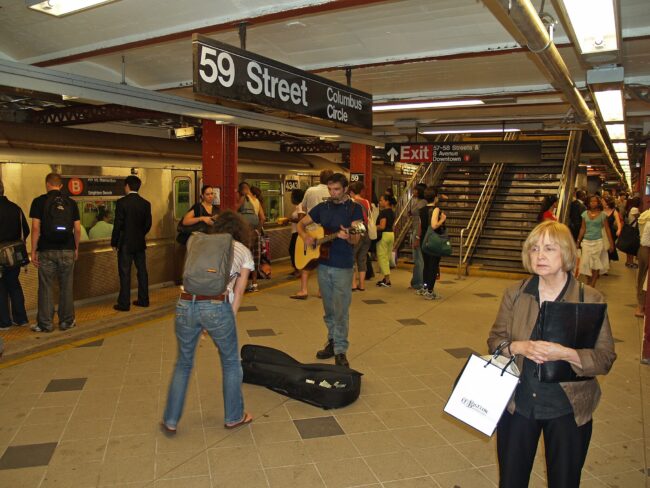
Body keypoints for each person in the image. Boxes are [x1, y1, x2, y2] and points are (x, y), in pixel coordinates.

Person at [488, 221, 615, 488]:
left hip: (568, 408)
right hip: (518, 404)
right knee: (511, 480)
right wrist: (519, 347)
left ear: (567, 253)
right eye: (534, 249)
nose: (540, 255)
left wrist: (567, 353)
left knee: (565, 481)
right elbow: (495, 341)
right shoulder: (516, 293)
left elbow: (605, 358)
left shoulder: (589, 298)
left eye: (549, 248)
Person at [162, 210, 254, 434]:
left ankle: (170, 419)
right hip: (217, 306)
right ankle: (234, 416)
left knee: (183, 363)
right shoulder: (243, 251)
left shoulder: (200, 243)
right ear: (240, 230)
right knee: (231, 363)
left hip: (185, 304)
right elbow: (239, 291)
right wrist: (227, 317)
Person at [297, 173, 363, 367]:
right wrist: (305, 237)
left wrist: (348, 236)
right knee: (328, 309)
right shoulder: (322, 207)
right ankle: (332, 341)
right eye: (330, 189)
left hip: (343, 265)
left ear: (344, 189)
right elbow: (301, 224)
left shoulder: (354, 209)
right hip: (323, 264)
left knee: (341, 310)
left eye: (336, 190)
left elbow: (357, 238)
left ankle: (341, 350)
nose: (333, 193)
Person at [29, 172, 81, 332]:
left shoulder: (39, 202)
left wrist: (33, 250)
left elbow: (36, 228)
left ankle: (45, 324)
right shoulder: (71, 203)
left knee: (45, 287)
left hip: (46, 250)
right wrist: (76, 248)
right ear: (61, 185)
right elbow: (77, 229)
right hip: (67, 250)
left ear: (47, 184)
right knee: (67, 286)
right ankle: (67, 321)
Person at [111, 175, 152, 311]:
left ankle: (124, 304)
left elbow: (118, 224)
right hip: (140, 243)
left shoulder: (122, 203)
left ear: (127, 186)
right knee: (142, 272)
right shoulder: (145, 204)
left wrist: (114, 242)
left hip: (125, 244)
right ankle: (144, 300)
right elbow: (148, 224)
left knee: (125, 273)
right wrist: (140, 235)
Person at [290, 170, 333, 299]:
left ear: (320, 178)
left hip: (310, 230)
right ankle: (321, 291)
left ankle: (303, 290)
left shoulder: (311, 191)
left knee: (306, 261)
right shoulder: (334, 192)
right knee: (323, 261)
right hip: (327, 232)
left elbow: (302, 208)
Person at [0, 180, 30, 330]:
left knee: (1, 288)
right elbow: (26, 230)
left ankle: (4, 322)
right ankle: (21, 318)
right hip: (14, 255)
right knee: (14, 285)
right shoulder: (16, 208)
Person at [577, 195, 614, 288]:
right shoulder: (584, 214)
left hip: (598, 242)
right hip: (586, 242)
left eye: (595, 201)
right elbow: (582, 228)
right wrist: (578, 241)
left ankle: (592, 284)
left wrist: (611, 244)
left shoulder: (603, 215)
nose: (593, 203)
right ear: (588, 203)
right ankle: (588, 280)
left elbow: (607, 229)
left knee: (595, 264)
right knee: (585, 263)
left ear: (598, 203)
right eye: (591, 201)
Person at [417, 187, 446, 300]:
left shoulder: (422, 209)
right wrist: (442, 220)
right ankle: (430, 291)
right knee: (433, 266)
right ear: (435, 197)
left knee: (427, 265)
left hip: (424, 240)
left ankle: (424, 287)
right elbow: (434, 225)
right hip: (433, 242)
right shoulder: (436, 209)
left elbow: (421, 226)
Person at [237, 182, 264, 292]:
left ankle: (244, 283)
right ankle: (254, 283)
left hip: (245, 233)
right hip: (255, 232)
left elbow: (235, 209)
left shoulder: (243, 199)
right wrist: (257, 230)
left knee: (244, 258)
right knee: (255, 258)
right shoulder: (256, 200)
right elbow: (262, 218)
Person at [348, 182, 371, 291]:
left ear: (351, 192)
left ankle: (353, 284)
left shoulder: (351, 202)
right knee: (362, 258)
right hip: (365, 230)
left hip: (356, 230)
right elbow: (369, 218)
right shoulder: (366, 202)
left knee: (351, 257)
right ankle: (362, 285)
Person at [375, 194, 396, 287]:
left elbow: (382, 226)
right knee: (387, 257)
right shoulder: (392, 212)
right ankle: (385, 278)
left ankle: (387, 280)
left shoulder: (383, 212)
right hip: (391, 234)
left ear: (386, 202)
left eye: (381, 200)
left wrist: (372, 227)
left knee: (382, 257)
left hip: (383, 236)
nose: (380, 202)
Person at [409, 184, 427, 290]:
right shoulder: (418, 202)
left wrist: (417, 237)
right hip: (415, 230)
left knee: (418, 259)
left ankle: (418, 283)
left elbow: (420, 220)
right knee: (417, 259)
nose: (413, 191)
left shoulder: (423, 203)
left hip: (418, 231)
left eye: (415, 190)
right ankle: (415, 281)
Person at [288, 188, 305, 276]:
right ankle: (297, 269)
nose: (291, 198)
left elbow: (301, 219)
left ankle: (298, 270)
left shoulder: (300, 206)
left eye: (292, 196)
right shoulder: (299, 205)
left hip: (297, 232)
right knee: (294, 250)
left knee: (292, 250)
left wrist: (289, 219)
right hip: (296, 232)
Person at [603, 196, 622, 263]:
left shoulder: (614, 211)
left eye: (603, 201)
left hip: (611, 232)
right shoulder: (601, 210)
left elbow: (618, 222)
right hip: (601, 231)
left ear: (607, 203)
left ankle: (607, 262)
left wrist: (619, 229)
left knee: (609, 247)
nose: (602, 202)